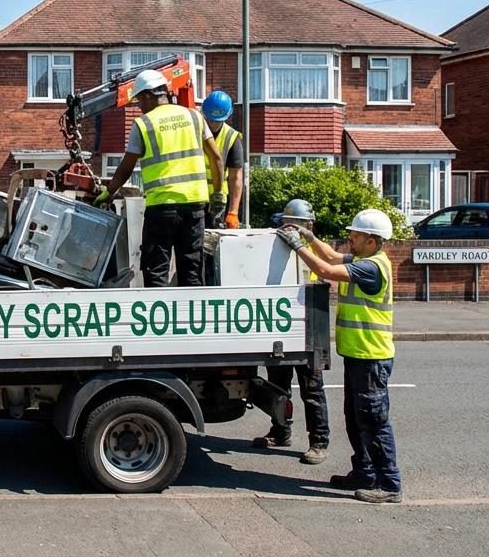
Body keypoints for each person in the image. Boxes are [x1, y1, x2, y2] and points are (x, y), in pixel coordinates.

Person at [276, 209, 401, 503]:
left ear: (371, 240)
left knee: (372, 420)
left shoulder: (370, 268)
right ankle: (365, 472)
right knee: (356, 419)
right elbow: (331, 257)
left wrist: (298, 246)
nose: (351, 237)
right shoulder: (363, 260)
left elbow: (327, 271)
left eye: (355, 234)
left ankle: (389, 483)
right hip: (359, 354)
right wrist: (309, 236)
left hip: (371, 356)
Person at [95, 69, 224, 287]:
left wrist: (108, 193)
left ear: (146, 96)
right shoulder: (194, 116)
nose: (139, 107)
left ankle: (158, 321)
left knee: (156, 272)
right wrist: (218, 194)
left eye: (138, 101)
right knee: (192, 272)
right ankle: (189, 320)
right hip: (194, 207)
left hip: (161, 209)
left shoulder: (143, 124)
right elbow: (217, 158)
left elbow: (127, 166)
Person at [252, 199, 330, 464]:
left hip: (308, 331)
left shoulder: (314, 250)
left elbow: (324, 273)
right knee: (278, 385)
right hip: (282, 329)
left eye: (294, 226)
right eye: (286, 225)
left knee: (312, 389)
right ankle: (280, 431)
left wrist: (299, 244)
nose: (289, 231)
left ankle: (319, 442)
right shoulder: (277, 249)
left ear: (308, 226)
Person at [200, 91, 245, 229]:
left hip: (218, 203)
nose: (213, 124)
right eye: (210, 119)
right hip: (195, 198)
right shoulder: (193, 132)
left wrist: (233, 212)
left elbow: (235, 177)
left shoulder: (232, 137)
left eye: (217, 121)